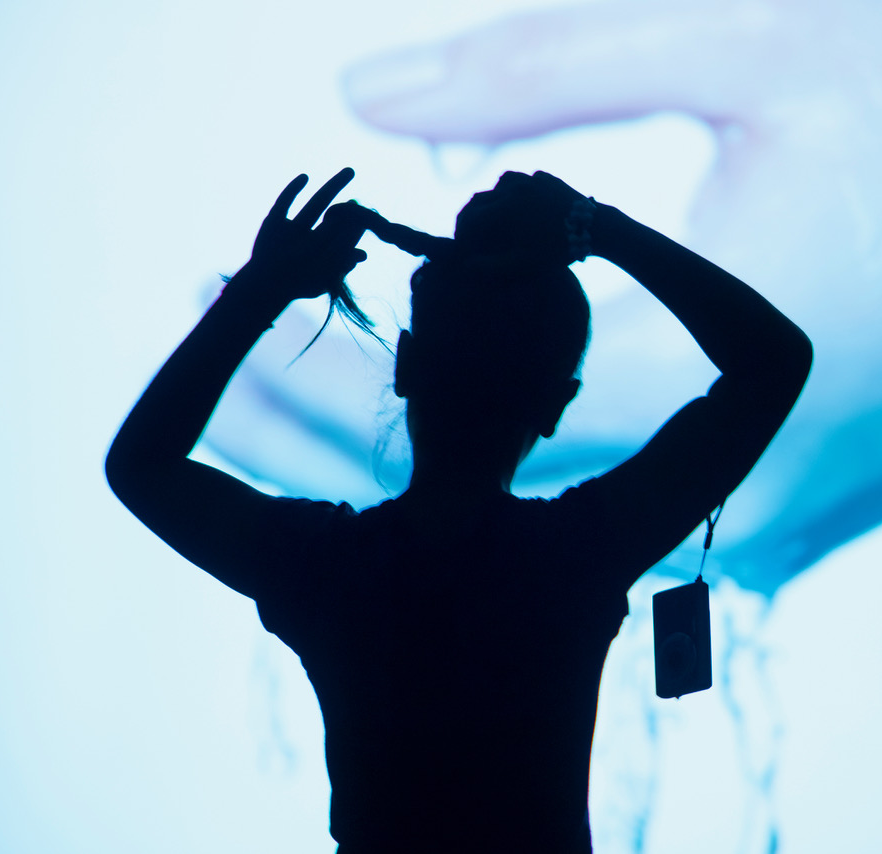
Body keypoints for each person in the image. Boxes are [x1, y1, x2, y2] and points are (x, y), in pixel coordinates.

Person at [105, 167, 811, 853]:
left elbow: (142, 467)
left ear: (406, 365)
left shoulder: (324, 566)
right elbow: (772, 364)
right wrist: (595, 227)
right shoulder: (578, 554)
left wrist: (262, 289)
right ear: (555, 405)